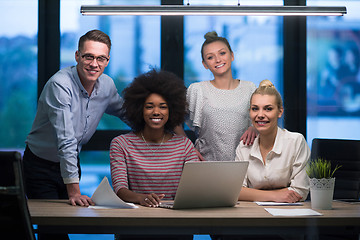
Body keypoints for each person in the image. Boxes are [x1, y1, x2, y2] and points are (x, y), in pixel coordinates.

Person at [23, 29, 123, 209]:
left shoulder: (107, 85)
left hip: (72, 161)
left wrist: (164, 126)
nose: (94, 64)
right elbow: (66, 140)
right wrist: (75, 191)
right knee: (52, 226)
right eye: (88, 57)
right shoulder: (60, 85)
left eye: (101, 58)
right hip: (40, 165)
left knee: (69, 218)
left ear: (107, 61)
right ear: (77, 56)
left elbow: (127, 112)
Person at [110, 69, 198, 209]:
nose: (156, 112)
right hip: (135, 218)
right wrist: (141, 198)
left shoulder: (185, 145)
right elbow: (120, 190)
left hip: (176, 218)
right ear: (139, 109)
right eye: (149, 107)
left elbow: (194, 187)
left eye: (163, 107)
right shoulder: (121, 144)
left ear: (172, 110)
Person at [175, 31, 257, 162]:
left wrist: (255, 127)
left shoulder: (250, 88)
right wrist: (189, 148)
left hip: (245, 165)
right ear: (204, 64)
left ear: (232, 55)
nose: (218, 60)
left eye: (222, 53)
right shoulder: (197, 90)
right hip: (206, 165)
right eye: (210, 57)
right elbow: (173, 121)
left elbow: (266, 121)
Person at [236, 80, 310, 203]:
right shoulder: (244, 147)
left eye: (268, 109)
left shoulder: (296, 142)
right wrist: (276, 196)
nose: (260, 115)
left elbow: (300, 191)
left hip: (290, 217)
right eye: (255, 109)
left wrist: (251, 194)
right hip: (252, 214)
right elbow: (236, 191)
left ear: (280, 112)